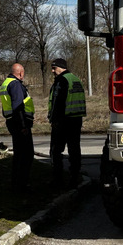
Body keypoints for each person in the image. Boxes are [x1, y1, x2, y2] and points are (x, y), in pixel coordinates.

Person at [47, 58, 86, 189]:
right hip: (76, 119)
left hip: (63, 121)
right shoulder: (75, 79)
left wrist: (54, 120)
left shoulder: (61, 81)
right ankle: (75, 176)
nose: (52, 71)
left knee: (56, 151)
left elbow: (58, 102)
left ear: (61, 67)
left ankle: (58, 180)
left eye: (54, 68)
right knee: (74, 149)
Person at [0, 63, 35, 193]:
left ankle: (16, 183)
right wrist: (23, 125)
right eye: (23, 73)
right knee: (26, 155)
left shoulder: (6, 82)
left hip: (11, 122)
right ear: (20, 73)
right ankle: (22, 185)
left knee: (19, 155)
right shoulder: (15, 84)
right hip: (20, 124)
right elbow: (18, 106)